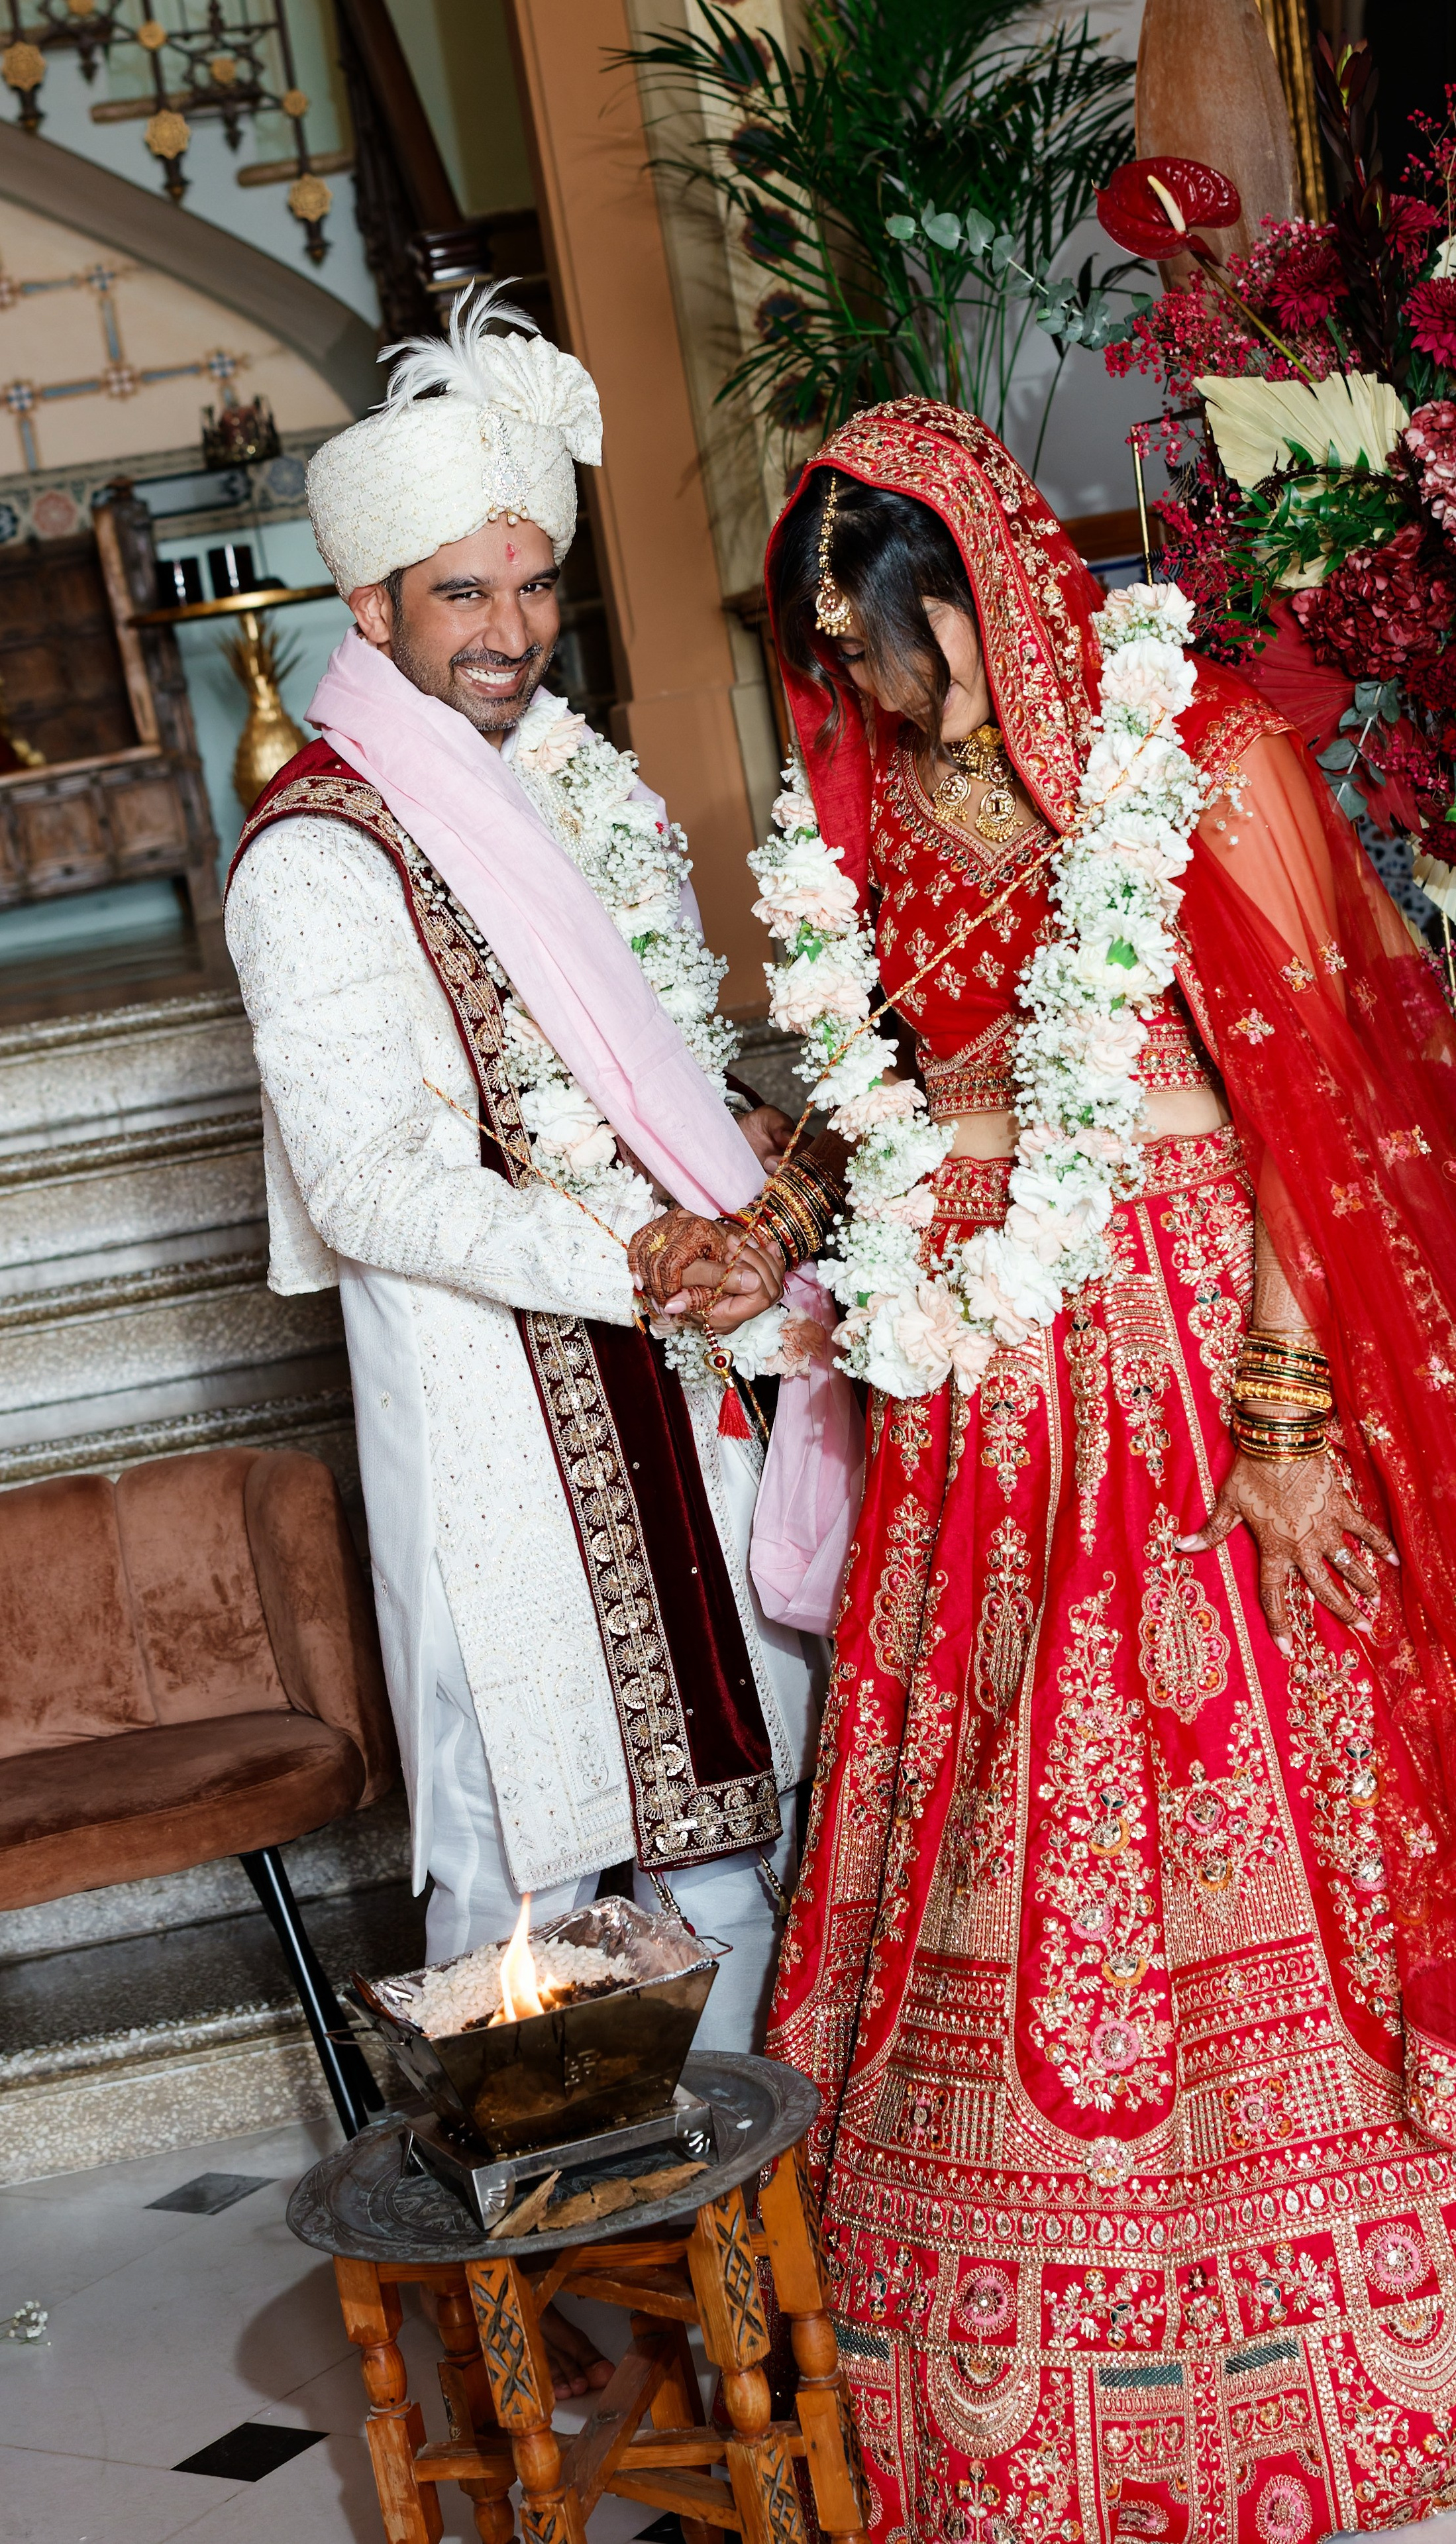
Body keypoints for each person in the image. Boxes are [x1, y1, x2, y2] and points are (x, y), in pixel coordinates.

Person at [660, 400, 1456, 2536]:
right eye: (833, 661)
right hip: (984, 1400)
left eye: (890, 648)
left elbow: (1322, 1125)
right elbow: (879, 1092)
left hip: (1197, 1352)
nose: (865, 697)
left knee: (1265, 1739)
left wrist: (1294, 1429)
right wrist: (760, 1227)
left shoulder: (1193, 761)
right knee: (991, 1784)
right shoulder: (872, 811)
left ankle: (1394, 2264)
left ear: (978, 595)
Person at [223, 288, 840, 2160]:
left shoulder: (557, 795)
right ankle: (559, 2301)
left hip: (683, 1386)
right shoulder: (322, 857)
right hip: (515, 1418)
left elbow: (659, 1072)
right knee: (534, 1877)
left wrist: (742, 1203)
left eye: (531, 588)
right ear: (375, 612)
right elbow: (375, 1185)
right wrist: (652, 1263)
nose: (508, 634)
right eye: (462, 597)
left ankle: (745, 2251)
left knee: (728, 1842)